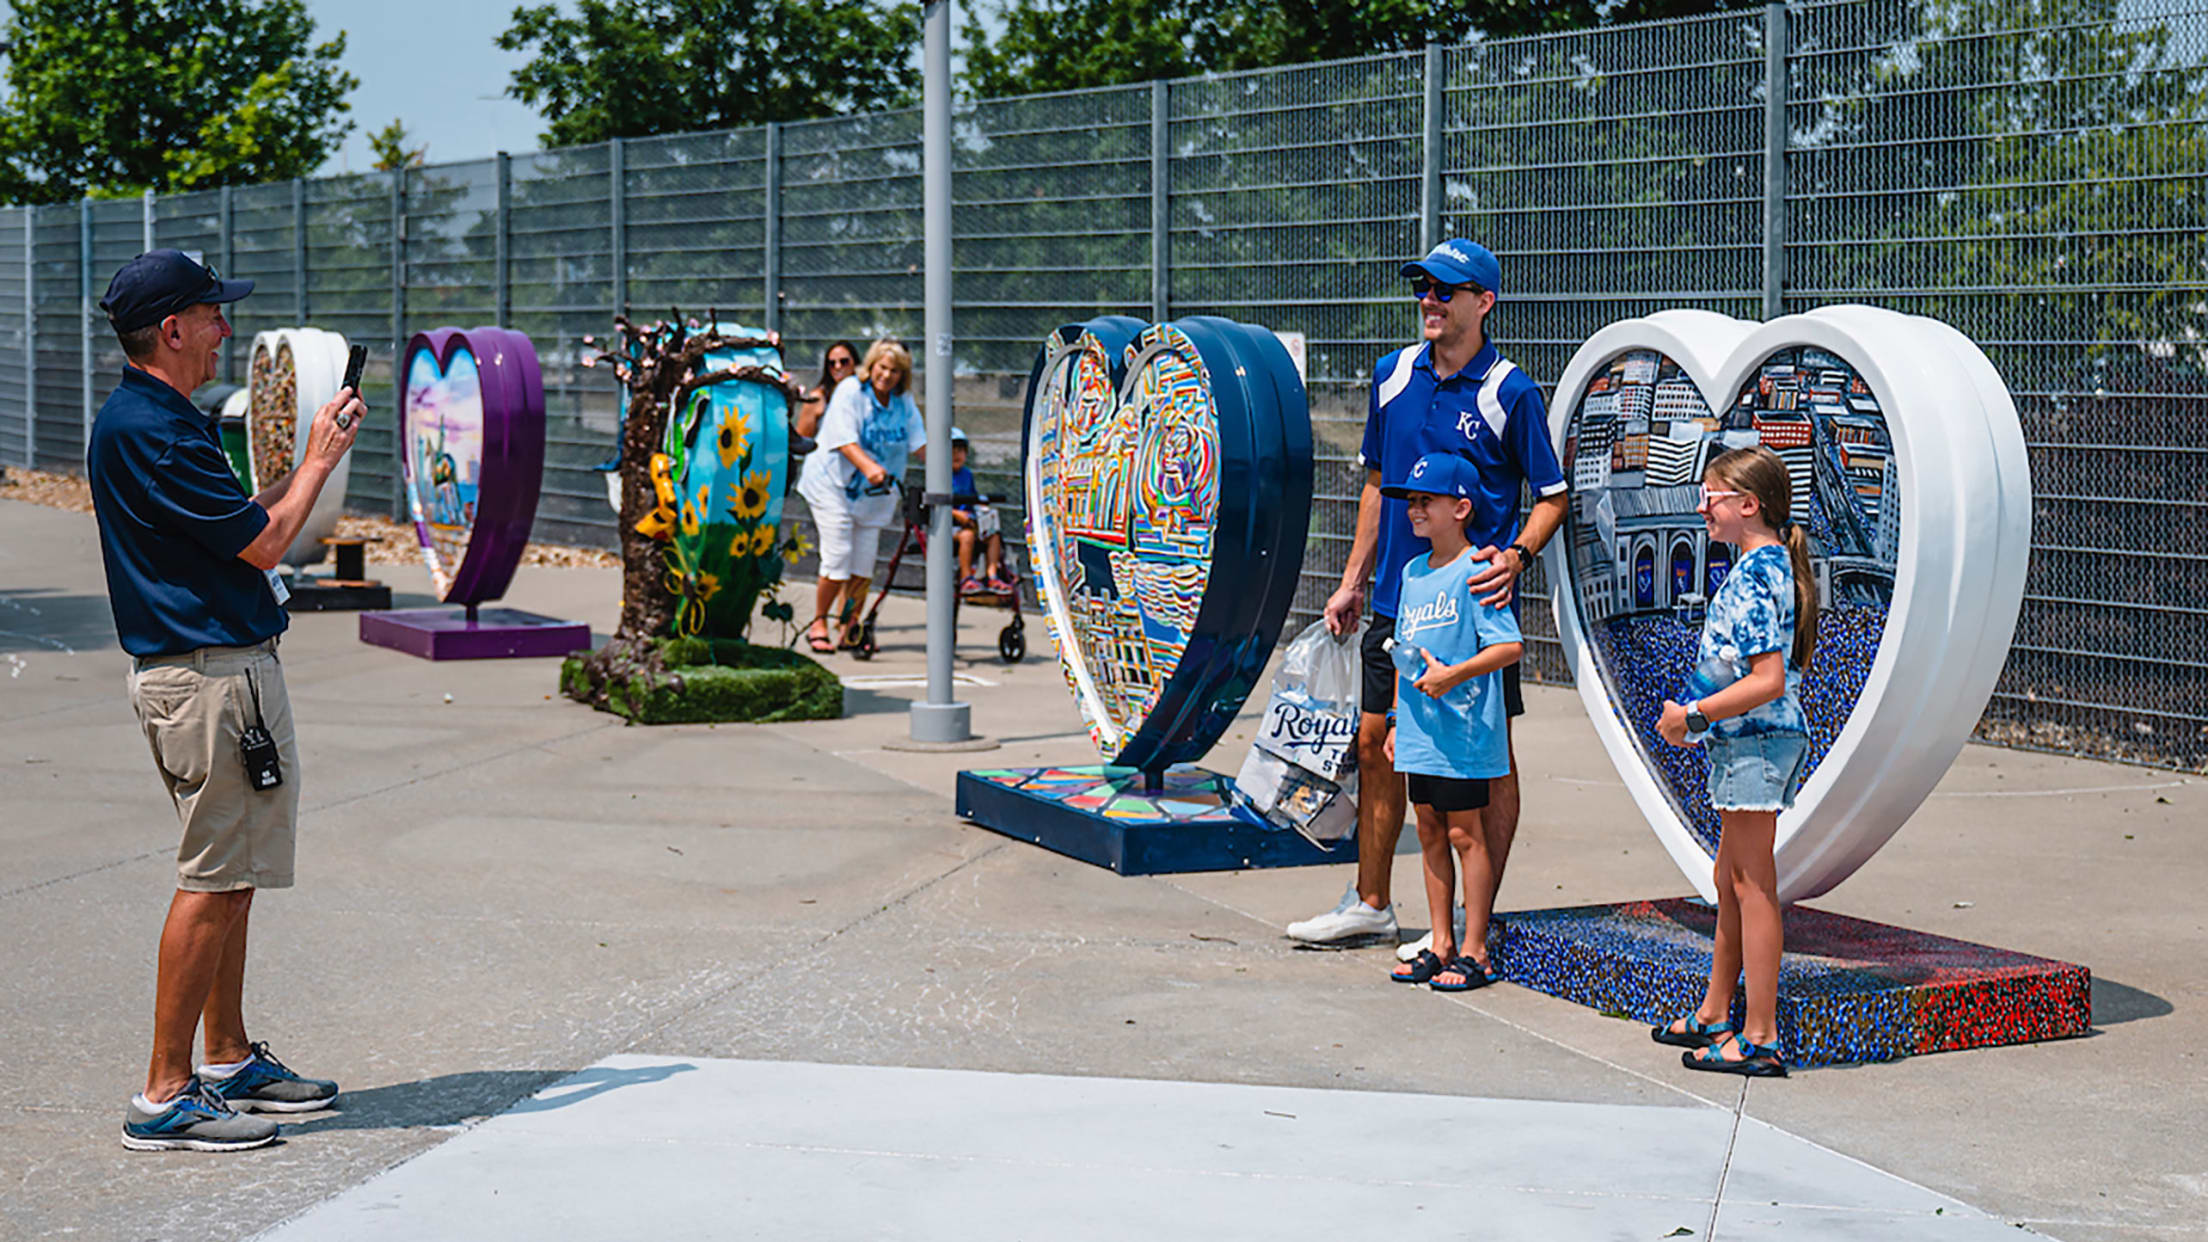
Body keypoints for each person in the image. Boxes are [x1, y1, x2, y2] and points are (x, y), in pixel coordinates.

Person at [86, 250, 363, 1151]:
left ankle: (227, 1058)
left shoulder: (155, 417)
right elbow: (269, 546)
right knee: (211, 881)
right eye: (212, 314)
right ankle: (164, 1095)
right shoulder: (151, 428)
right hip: (207, 678)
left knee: (232, 875)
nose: (225, 329)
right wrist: (318, 462)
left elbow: (243, 518)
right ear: (170, 330)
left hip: (212, 672)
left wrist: (301, 467)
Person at [1288, 239, 1569, 955]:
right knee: (1376, 745)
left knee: (1486, 759)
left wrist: (1517, 554)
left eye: (1446, 290)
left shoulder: (1511, 391)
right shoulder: (1391, 377)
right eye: (1423, 288)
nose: (1430, 301)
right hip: (1397, 602)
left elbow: (1553, 495)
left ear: (1485, 301)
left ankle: (1476, 926)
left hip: (1469, 614)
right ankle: (1372, 903)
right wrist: (1352, 582)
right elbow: (1379, 487)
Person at [1651, 445, 1820, 1078]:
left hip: (1754, 744)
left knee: (1752, 886)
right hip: (1746, 744)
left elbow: (1768, 679)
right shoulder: (1772, 567)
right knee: (1730, 880)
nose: (1702, 507)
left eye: (1712, 497)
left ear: (1748, 506)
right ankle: (1717, 1011)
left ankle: (1760, 1036)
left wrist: (1692, 717)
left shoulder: (1754, 574)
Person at [1376, 453, 1524, 992]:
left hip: (1461, 731)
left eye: (1426, 501)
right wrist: (1395, 719)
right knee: (1432, 831)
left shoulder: (1479, 572)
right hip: (1419, 731)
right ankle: (1438, 942)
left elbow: (1509, 646)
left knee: (1466, 833)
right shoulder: (1413, 574)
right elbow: (1403, 653)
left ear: (1461, 508)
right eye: (1411, 502)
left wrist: (1454, 674)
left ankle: (1474, 948)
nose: (1415, 510)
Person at [796, 338, 925, 652]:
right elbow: (843, 440)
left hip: (875, 494)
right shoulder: (851, 391)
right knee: (838, 554)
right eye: (882, 367)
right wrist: (869, 467)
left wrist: (944, 466)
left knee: (864, 563)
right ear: (872, 366)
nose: (886, 375)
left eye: (895, 370)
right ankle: (819, 622)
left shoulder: (903, 401)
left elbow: (920, 444)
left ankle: (850, 625)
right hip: (832, 484)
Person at [948, 426, 1008, 592]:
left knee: (993, 536)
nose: (956, 454)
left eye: (960, 450)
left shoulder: (967, 474)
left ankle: (992, 576)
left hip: (969, 523)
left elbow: (973, 497)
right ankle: (966, 578)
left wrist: (982, 508)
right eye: (951, 450)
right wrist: (955, 513)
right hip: (947, 528)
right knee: (967, 536)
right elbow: (935, 504)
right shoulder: (939, 474)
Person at [795, 340, 858, 441]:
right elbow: (802, 438)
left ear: (855, 363)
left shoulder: (864, 394)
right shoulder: (818, 397)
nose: (837, 367)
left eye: (844, 362)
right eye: (832, 363)